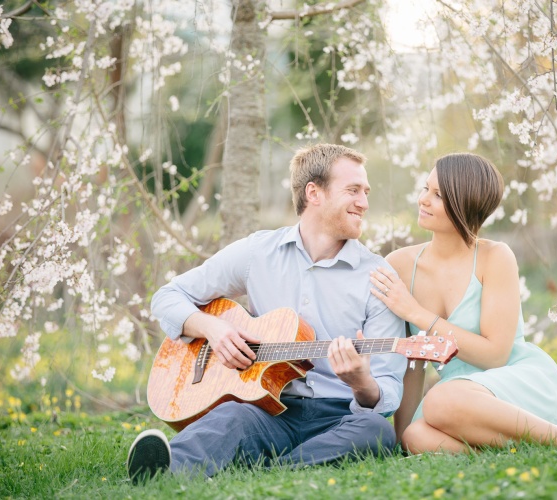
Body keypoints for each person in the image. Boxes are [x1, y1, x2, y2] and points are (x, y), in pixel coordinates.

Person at [126, 143, 407, 483]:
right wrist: (213, 329)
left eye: (365, 191)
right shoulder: (258, 252)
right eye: (352, 191)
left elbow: (388, 389)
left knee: (376, 430)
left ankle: (275, 469)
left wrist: (363, 384)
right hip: (270, 410)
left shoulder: (378, 277)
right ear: (314, 193)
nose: (363, 202)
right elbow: (168, 297)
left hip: (340, 416)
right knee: (230, 416)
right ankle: (163, 472)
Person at [369, 152, 557, 454]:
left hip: (513, 379)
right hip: (453, 398)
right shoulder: (401, 265)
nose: (423, 200)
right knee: (414, 437)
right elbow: (413, 362)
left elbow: (495, 354)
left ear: (464, 202)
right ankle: (514, 450)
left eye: (438, 195)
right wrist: (401, 435)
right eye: (425, 188)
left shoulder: (494, 257)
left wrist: (416, 313)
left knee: (440, 400)